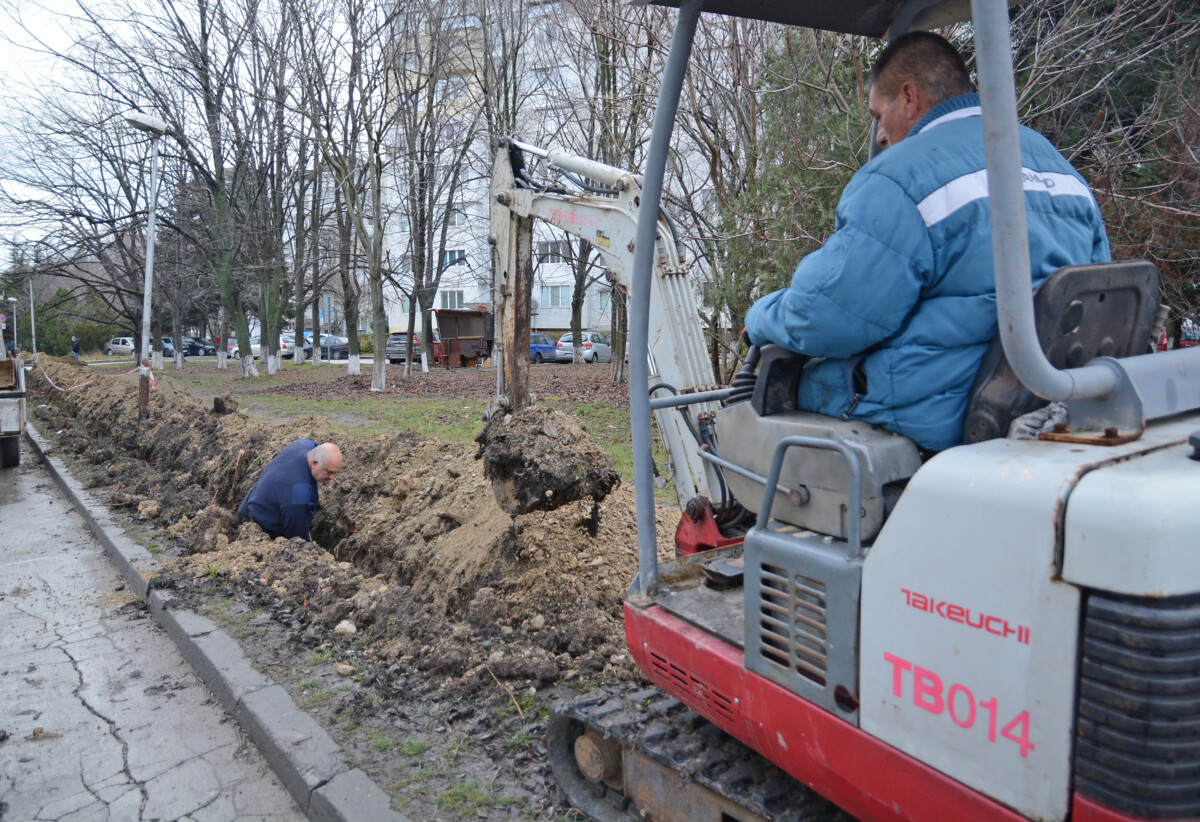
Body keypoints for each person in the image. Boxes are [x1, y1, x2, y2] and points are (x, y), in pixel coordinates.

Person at [744, 32, 1110, 453]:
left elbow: (827, 318)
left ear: (909, 98)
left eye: (879, 115)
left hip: (942, 414)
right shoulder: (1053, 163)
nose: (880, 135)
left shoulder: (901, 178)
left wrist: (759, 317)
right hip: (1048, 403)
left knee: (755, 418)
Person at [237, 440, 343, 541]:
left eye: (336, 473)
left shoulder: (305, 444)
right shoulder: (300, 494)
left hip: (256, 498)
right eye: (329, 472)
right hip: (255, 523)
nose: (333, 477)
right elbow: (297, 539)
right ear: (314, 463)